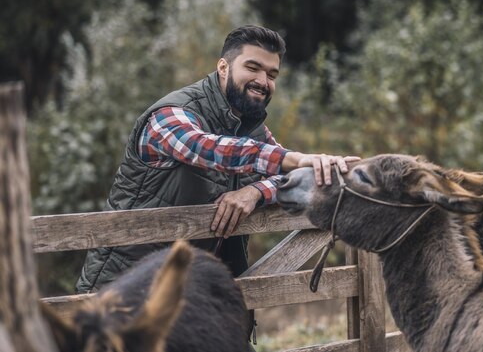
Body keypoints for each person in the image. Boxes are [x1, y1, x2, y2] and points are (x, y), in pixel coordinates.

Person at [76, 25, 358, 294]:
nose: (263, 81)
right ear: (223, 67)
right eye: (252, 67)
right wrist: (298, 159)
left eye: (272, 74)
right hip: (123, 289)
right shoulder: (170, 115)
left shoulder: (250, 125)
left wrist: (255, 191)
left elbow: (285, 178)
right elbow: (207, 148)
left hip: (193, 291)